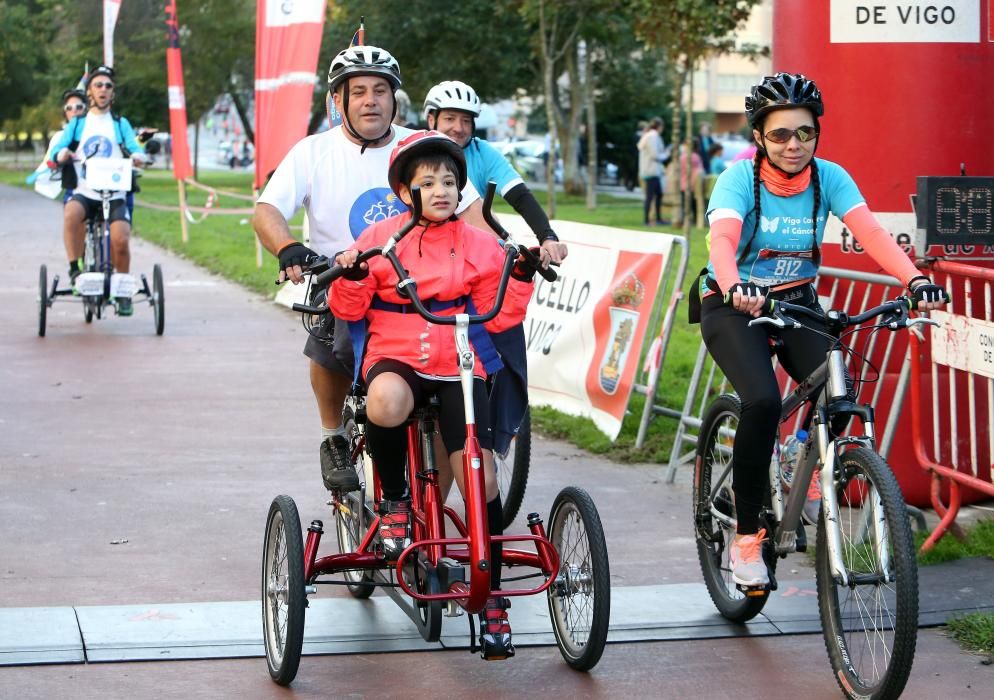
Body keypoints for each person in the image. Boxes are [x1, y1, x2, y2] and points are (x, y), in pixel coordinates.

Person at [694, 72, 948, 588]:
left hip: (797, 302)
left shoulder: (830, 178)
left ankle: (798, 455)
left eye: (805, 133)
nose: (794, 145)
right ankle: (747, 538)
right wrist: (734, 284)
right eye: (781, 134)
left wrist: (915, 279)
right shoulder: (739, 179)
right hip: (731, 302)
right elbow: (722, 239)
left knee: (836, 384)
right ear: (760, 136)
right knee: (762, 402)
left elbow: (871, 232)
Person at [330, 131, 534, 659]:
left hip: (460, 362)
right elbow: (349, 310)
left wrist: (524, 275)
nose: (442, 190)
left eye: (449, 181)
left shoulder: (481, 243)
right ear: (405, 192)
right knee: (387, 402)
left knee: (481, 472)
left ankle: (489, 593)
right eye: (428, 183)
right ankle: (395, 500)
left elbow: (502, 312)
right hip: (395, 351)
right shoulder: (381, 238)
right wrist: (351, 275)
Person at [253, 46, 487, 496]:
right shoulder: (313, 151)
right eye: (357, 91)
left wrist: (501, 252)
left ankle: (429, 514)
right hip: (345, 281)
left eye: (381, 90)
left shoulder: (420, 146)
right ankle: (333, 437)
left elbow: (473, 213)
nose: (370, 100)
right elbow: (267, 210)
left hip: (426, 287)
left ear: (395, 99)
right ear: (338, 101)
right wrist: (288, 248)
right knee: (328, 333)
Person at [422, 79, 567, 466]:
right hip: (427, 263)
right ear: (430, 118)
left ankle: (497, 428)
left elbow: (519, 195)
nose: (457, 128)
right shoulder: (417, 151)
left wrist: (547, 237)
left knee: (505, 337)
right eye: (449, 118)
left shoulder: (484, 153)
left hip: (475, 262)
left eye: (465, 120)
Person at [48, 66, 146, 315]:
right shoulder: (78, 125)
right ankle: (75, 268)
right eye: (98, 85)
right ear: (89, 92)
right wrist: (62, 153)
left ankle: (122, 290)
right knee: (71, 214)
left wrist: (137, 157)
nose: (103, 89)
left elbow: (136, 147)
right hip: (86, 190)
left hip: (114, 192)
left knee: (120, 239)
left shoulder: (120, 124)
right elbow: (57, 148)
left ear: (113, 94)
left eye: (108, 86)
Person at [27, 89, 88, 200]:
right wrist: (58, 160)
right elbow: (50, 161)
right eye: (69, 108)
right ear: (65, 112)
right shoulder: (60, 136)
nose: (74, 111)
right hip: (73, 187)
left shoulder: (96, 130)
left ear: (85, 109)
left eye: (78, 107)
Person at [637, 117, 669, 226]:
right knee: (651, 196)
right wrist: (666, 155)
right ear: (659, 127)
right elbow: (655, 154)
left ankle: (657, 218)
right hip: (652, 170)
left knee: (658, 194)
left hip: (650, 170)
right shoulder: (653, 136)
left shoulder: (648, 135)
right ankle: (647, 220)